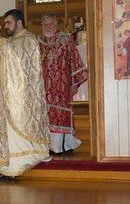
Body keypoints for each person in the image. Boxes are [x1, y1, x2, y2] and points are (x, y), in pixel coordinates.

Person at [0, 9, 51, 181]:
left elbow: (16, 57)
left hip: (21, 96)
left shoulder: (28, 39)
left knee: (14, 132)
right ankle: (6, 165)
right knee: (4, 130)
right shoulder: (10, 41)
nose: (5, 26)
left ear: (19, 22)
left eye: (8, 23)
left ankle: (17, 166)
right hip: (6, 94)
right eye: (4, 23)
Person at [38, 13, 87, 154]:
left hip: (61, 86)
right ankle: (46, 145)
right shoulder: (38, 41)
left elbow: (75, 60)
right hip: (42, 87)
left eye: (51, 24)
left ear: (56, 23)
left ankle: (63, 145)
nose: (48, 27)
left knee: (60, 114)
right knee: (44, 114)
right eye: (45, 24)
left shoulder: (65, 39)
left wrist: (73, 84)